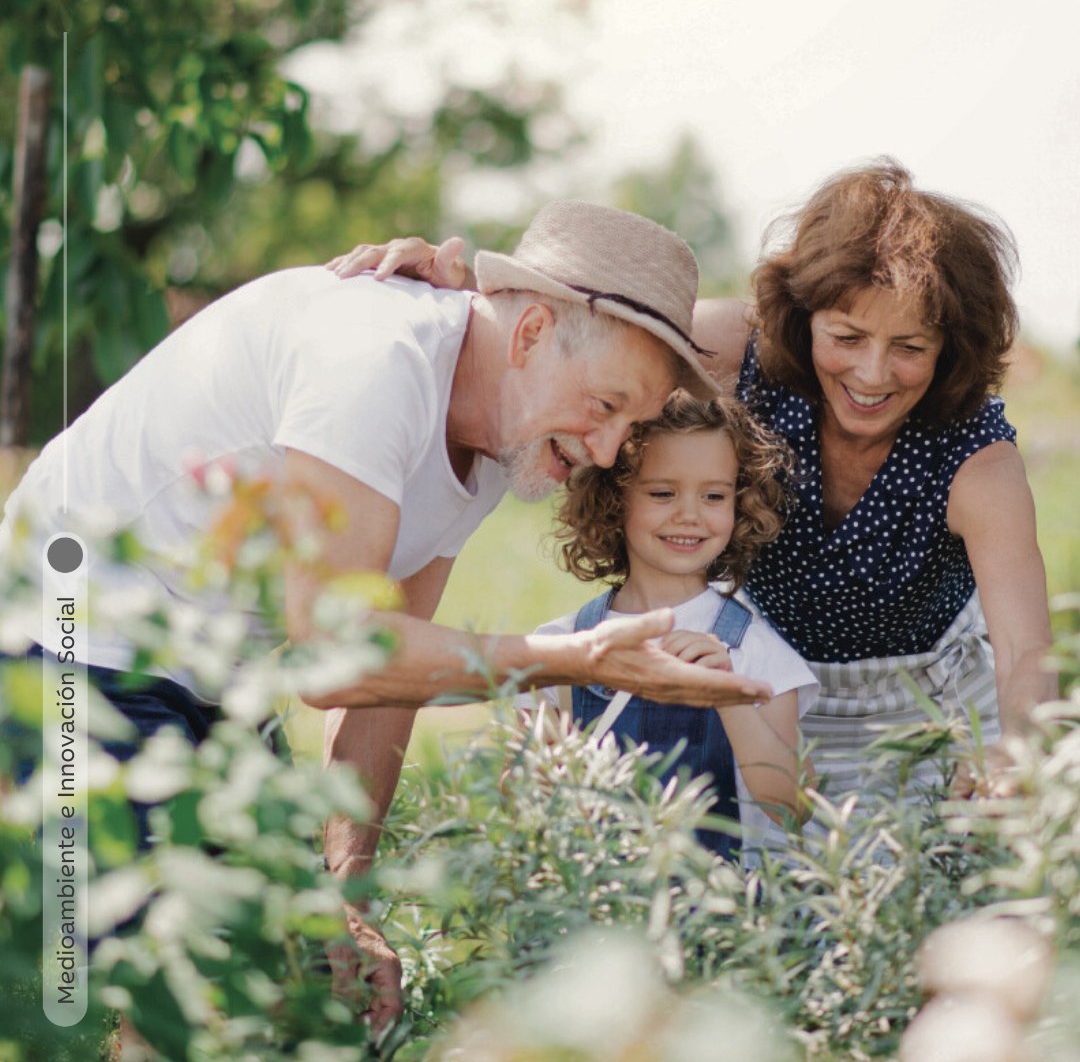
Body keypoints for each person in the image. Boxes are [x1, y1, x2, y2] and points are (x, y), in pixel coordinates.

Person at [0, 200, 777, 1033]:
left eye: (628, 427)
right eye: (605, 406)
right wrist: (579, 659)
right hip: (79, 626)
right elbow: (335, 652)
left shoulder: (493, 436)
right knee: (192, 992)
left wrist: (349, 893)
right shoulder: (377, 361)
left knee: (300, 984)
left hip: (218, 662)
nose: (602, 449)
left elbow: (387, 674)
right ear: (530, 333)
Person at [333, 158, 1056, 811]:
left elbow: (1025, 652)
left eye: (909, 349)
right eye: (846, 337)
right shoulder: (736, 350)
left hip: (922, 719)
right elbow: (587, 336)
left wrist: (1016, 756)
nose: (871, 374)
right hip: (767, 697)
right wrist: (466, 305)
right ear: (803, 319)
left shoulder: (976, 462)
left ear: (950, 349)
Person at [523, 391, 818, 860]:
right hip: (590, 917)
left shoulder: (755, 653)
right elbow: (520, 805)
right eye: (662, 493)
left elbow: (792, 805)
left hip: (713, 920)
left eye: (714, 495)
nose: (689, 514)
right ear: (613, 499)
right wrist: (547, 767)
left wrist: (730, 697)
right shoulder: (561, 647)